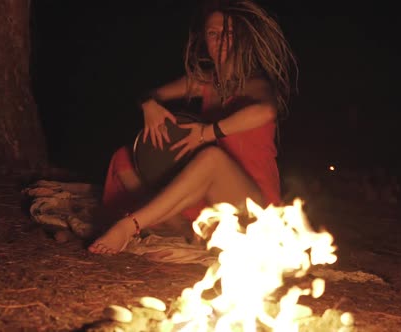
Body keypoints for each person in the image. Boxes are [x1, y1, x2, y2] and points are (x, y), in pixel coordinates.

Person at [89, 0, 298, 254]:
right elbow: (150, 93)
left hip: (255, 207)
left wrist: (206, 132)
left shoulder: (255, 83)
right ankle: (187, 232)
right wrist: (148, 105)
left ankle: (129, 226)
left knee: (211, 158)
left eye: (229, 34)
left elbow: (265, 111)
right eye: (213, 34)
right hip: (212, 198)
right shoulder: (205, 81)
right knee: (124, 158)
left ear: (243, 39)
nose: (220, 40)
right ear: (204, 40)